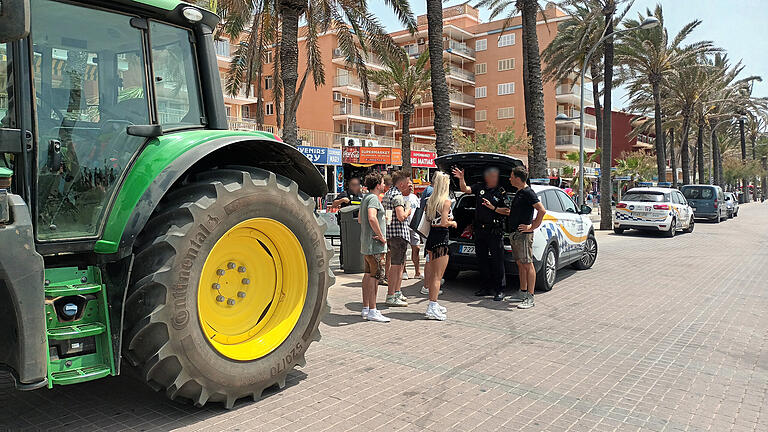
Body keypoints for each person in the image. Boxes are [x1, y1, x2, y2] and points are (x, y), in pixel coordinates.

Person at [452, 166, 508, 301]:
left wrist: (493, 207)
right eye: (489, 175)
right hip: (480, 230)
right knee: (482, 260)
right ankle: (485, 287)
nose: (491, 178)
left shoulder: (501, 191)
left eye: (494, 175)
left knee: (497, 261)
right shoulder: (479, 187)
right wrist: (461, 178)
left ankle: (499, 289)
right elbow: (465, 189)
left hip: (494, 230)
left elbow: (507, 210)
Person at [505, 166, 546, 309]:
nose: (509, 179)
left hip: (524, 236)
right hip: (515, 234)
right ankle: (522, 292)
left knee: (528, 265)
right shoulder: (519, 192)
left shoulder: (529, 192)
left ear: (517, 178)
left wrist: (532, 226)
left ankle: (530, 296)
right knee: (520, 264)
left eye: (511, 176)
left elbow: (542, 210)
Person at [358, 172, 390, 323]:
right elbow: (371, 217)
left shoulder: (365, 198)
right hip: (375, 245)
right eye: (383, 183)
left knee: (367, 274)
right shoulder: (373, 199)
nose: (384, 185)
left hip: (366, 243)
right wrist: (381, 236)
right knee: (375, 276)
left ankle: (366, 307)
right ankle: (373, 309)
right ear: (378, 185)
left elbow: (360, 219)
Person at [423, 172, 455, 320]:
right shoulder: (446, 202)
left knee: (432, 273)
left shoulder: (430, 200)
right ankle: (432, 305)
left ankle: (433, 304)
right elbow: (443, 222)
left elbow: (430, 220)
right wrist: (453, 223)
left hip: (431, 238)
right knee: (438, 276)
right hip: (441, 238)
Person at [382, 170, 412, 307]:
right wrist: (408, 211)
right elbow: (401, 216)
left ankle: (396, 292)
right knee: (397, 266)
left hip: (391, 234)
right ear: (401, 183)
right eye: (407, 181)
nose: (409, 183)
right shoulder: (397, 196)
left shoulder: (388, 194)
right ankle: (392, 295)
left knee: (398, 265)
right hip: (399, 235)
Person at [333, 177, 362, 266]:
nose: (356, 187)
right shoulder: (344, 194)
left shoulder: (360, 195)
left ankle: (356, 261)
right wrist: (342, 200)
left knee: (357, 242)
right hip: (346, 223)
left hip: (358, 223)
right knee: (345, 242)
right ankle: (344, 262)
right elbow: (334, 204)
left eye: (357, 185)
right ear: (350, 186)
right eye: (353, 185)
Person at [405, 183, 423, 280]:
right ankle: (404, 271)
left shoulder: (414, 197)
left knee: (416, 248)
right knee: (403, 250)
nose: (411, 186)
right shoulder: (400, 197)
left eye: (412, 185)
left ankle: (417, 272)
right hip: (404, 227)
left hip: (414, 227)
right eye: (409, 185)